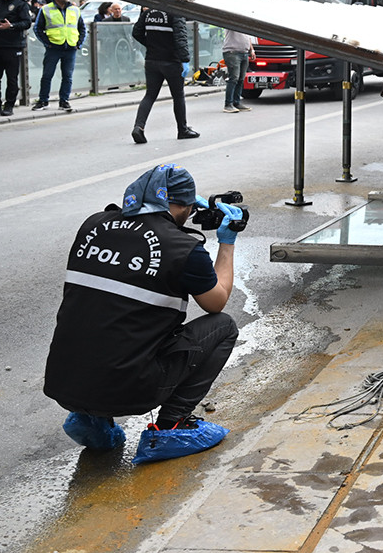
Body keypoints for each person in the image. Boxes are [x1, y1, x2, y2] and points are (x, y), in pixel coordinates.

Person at [43, 164, 244, 463]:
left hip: (64, 383)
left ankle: (91, 419)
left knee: (108, 315)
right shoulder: (184, 249)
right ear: (187, 206)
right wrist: (226, 243)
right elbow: (216, 302)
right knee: (223, 327)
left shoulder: (92, 225)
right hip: (129, 389)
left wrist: (180, 208)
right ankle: (171, 426)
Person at [131, 7, 199, 143]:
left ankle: (139, 127)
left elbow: (136, 33)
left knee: (150, 95)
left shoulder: (148, 13)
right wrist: (185, 60)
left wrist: (151, 45)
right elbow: (181, 38)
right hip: (171, 62)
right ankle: (182, 130)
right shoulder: (174, 13)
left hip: (152, 60)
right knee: (178, 95)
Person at [32, 0, 84, 111]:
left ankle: (64, 101)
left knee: (67, 76)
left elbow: (82, 28)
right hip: (53, 47)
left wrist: (78, 43)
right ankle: (43, 101)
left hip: (70, 47)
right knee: (47, 75)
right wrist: (47, 43)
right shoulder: (46, 9)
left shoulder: (75, 9)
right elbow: (37, 28)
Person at [220, 27, 252, 114]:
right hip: (232, 52)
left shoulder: (246, 22)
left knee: (241, 79)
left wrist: (251, 50)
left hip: (244, 53)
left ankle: (236, 102)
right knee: (234, 78)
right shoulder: (235, 20)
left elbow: (248, 37)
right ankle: (228, 104)